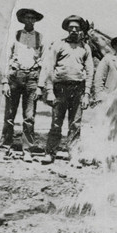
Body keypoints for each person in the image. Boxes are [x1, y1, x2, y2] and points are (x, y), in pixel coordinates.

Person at [36, 15, 94, 164]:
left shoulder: (85, 47)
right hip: (60, 88)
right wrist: (49, 91)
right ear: (67, 29)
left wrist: (87, 93)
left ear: (80, 29)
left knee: (75, 124)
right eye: (71, 28)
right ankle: (50, 153)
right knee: (56, 122)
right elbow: (49, 68)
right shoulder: (59, 44)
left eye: (77, 28)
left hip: (78, 89)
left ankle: (73, 154)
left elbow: (89, 71)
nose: (74, 30)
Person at [0, 8, 45, 158]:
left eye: (33, 18)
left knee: (29, 116)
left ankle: (27, 150)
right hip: (15, 77)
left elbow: (44, 63)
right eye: (27, 17)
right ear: (23, 19)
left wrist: (40, 86)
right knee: (9, 115)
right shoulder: (15, 36)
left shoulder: (40, 38)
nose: (30, 20)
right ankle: (5, 147)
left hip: (32, 78)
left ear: (36, 20)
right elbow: (6, 59)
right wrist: (5, 81)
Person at [93, 32, 117, 103]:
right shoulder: (108, 59)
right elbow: (99, 79)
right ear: (115, 46)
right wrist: (100, 98)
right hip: (109, 99)